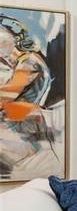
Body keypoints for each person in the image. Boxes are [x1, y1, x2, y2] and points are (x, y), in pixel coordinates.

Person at [0, 14, 55, 178]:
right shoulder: (11, 64)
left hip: (22, 133)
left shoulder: (30, 62)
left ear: (15, 37)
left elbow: (4, 97)